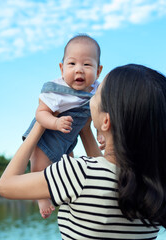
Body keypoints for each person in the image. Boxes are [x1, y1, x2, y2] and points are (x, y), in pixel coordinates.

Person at [0, 64, 166, 239]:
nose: (91, 92)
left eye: (98, 92)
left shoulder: (78, 173)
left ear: (106, 120)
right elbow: (104, 172)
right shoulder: (154, 188)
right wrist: (85, 130)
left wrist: (40, 123)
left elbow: (6, 186)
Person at [22, 34, 103, 218]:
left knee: (67, 168)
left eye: (87, 65)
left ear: (98, 71)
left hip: (68, 139)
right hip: (48, 135)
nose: (79, 70)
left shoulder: (97, 91)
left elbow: (100, 111)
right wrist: (55, 122)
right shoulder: (56, 90)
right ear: (62, 68)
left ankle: (64, 194)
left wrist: (100, 132)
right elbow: (40, 113)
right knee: (40, 166)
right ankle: (42, 197)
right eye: (72, 64)